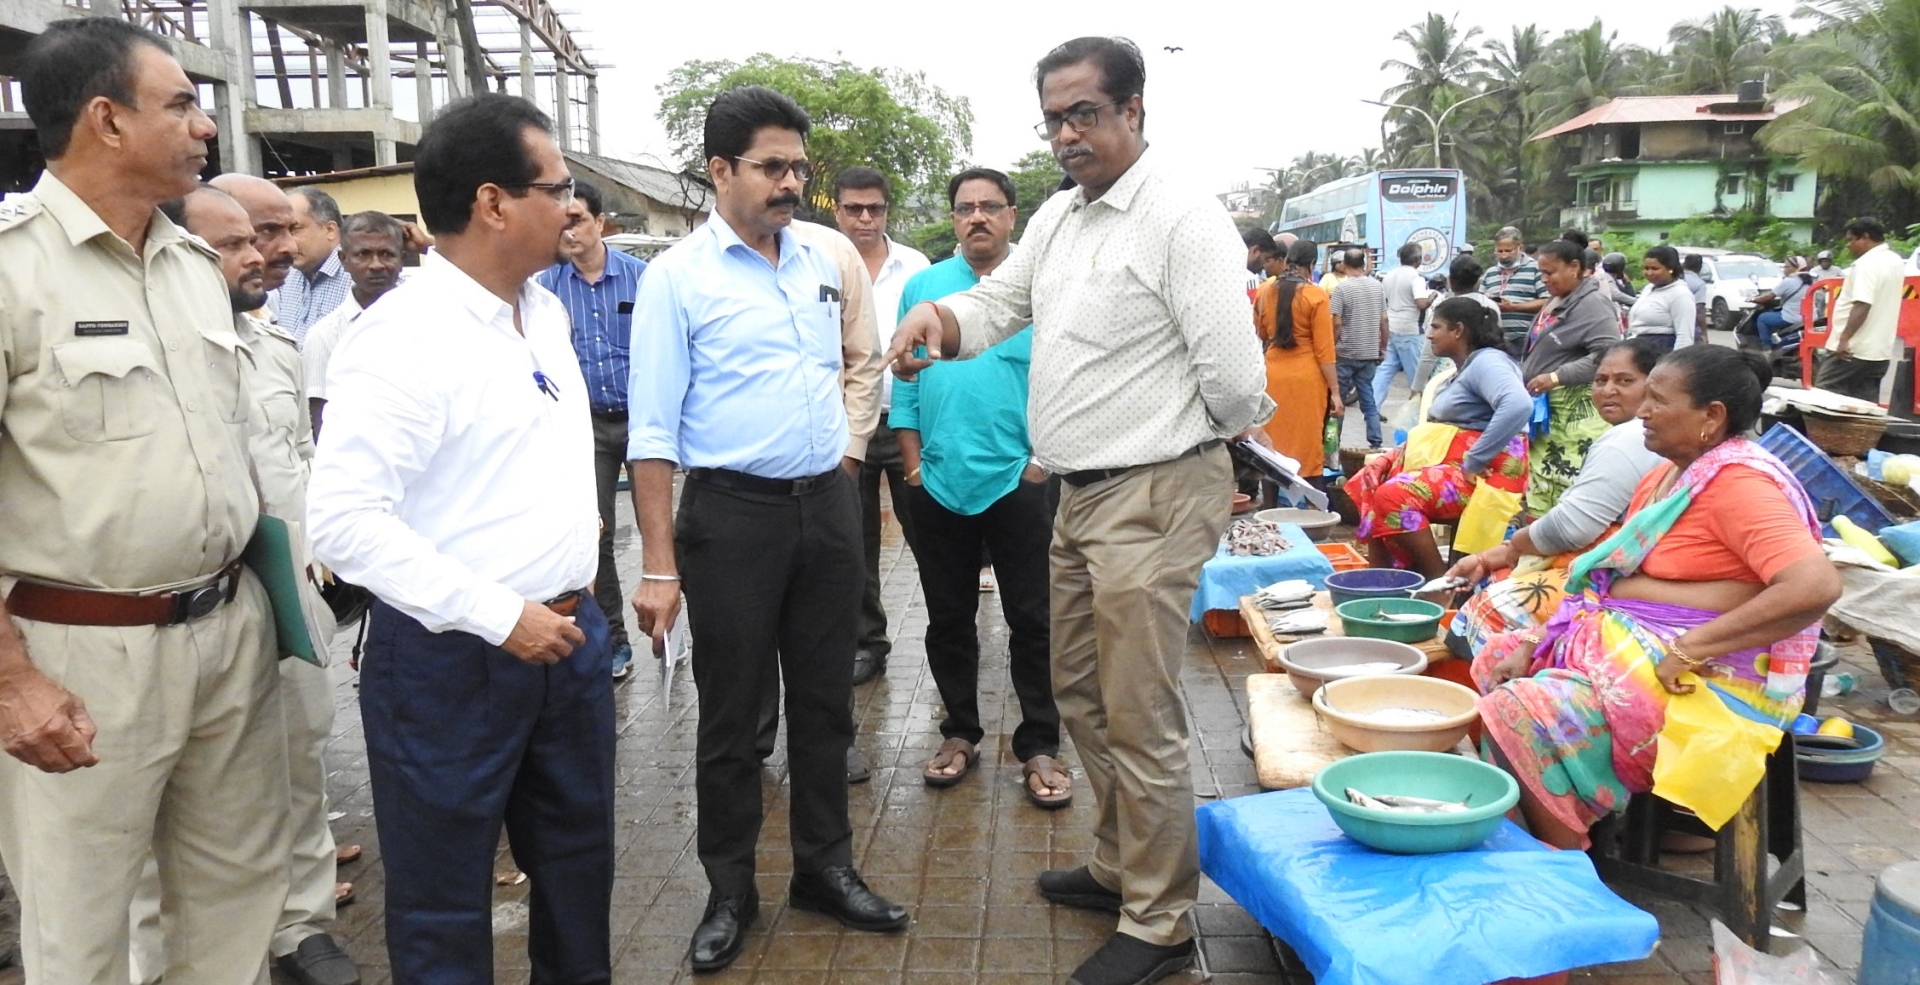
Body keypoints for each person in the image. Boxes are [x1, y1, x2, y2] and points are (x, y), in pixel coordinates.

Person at [886, 36, 1274, 985]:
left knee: (1141, 712)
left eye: (1085, 113)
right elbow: (995, 306)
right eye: (1054, 118)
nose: (1067, 134)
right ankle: (1120, 861)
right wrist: (934, 323)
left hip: (1152, 488)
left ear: (1134, 110)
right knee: (1083, 695)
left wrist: (1190, 454)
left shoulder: (1184, 220)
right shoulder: (1060, 218)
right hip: (1077, 495)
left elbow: (1234, 379)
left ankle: (1161, 918)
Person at [0, 19, 290, 985]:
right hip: (82, 656)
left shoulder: (191, 267)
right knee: (80, 927)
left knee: (232, 902)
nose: (205, 126)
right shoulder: (12, 267)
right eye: (180, 103)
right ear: (105, 120)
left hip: (225, 630)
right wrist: (13, 683)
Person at [307, 93, 616, 984]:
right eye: (557, 187)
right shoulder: (402, 337)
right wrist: (497, 614)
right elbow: (345, 520)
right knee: (445, 907)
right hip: (451, 660)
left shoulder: (542, 312)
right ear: (493, 202)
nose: (572, 205)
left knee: (576, 879)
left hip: (567, 643)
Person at [626, 85, 904, 975]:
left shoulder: (823, 255)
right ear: (719, 171)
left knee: (826, 705)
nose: (792, 182)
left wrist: (850, 457)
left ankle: (826, 868)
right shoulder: (677, 277)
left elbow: (860, 359)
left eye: (798, 166)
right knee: (734, 716)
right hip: (730, 518)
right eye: (771, 166)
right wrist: (659, 565)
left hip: (826, 506)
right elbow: (653, 430)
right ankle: (730, 888)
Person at [1472, 346, 1840, 850]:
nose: (1642, 411)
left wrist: (1693, 646)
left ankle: (1565, 862)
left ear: (1712, 416)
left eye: (1657, 401)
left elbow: (1813, 586)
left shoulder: (1739, 485)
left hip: (1709, 680)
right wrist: (1538, 637)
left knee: (1523, 711)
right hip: (1637, 644)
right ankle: (1555, 828)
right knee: (1498, 657)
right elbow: (1611, 573)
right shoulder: (1669, 473)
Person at [157, 183, 357, 985]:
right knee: (195, 795)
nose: (271, 250)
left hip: (288, 586)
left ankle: (302, 926)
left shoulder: (276, 343)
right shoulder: (167, 342)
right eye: (244, 238)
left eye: (279, 231)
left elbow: (299, 465)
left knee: (299, 756)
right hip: (194, 598)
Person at [890, 167, 1069, 807]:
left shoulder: (1041, 287)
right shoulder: (926, 288)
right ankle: (959, 733)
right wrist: (912, 468)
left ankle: (1040, 744)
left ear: (1012, 216)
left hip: (1022, 480)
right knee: (948, 617)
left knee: (1033, 617)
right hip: (937, 481)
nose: (977, 218)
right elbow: (905, 384)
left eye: (990, 207)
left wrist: (1040, 463)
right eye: (965, 208)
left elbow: (1062, 380)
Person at [1445, 338, 1670, 651]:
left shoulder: (1627, 439)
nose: (1607, 391)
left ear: (1656, 386)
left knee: (1485, 611)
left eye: (1625, 381)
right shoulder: (1636, 434)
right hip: (1631, 568)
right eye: (1601, 381)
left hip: (1634, 582)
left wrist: (1508, 551)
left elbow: (1571, 528)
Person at [537, 178, 648, 683]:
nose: (569, 228)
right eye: (563, 219)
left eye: (578, 218)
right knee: (596, 533)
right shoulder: (544, 290)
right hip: (587, 429)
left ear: (601, 223)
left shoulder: (642, 279)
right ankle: (614, 642)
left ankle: (678, 631)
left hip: (646, 424)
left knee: (666, 532)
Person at [832, 166, 930, 687]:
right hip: (846, 425)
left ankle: (948, 630)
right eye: (854, 208)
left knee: (931, 534)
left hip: (908, 422)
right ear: (837, 210)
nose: (865, 218)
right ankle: (867, 641)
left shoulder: (914, 268)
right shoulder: (817, 262)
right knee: (855, 540)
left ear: (887, 210)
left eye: (874, 208)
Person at [1349, 297, 1531, 576]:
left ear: (1458, 330)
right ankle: (1383, 578)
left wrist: (1475, 459)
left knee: (1395, 496)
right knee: (1371, 478)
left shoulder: (1488, 363)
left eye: (1436, 327)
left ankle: (1440, 583)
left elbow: (1518, 404)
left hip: (1486, 473)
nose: (1429, 334)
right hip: (1459, 464)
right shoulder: (1468, 366)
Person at [1520, 238, 1622, 516]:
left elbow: (1607, 354)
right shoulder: (1559, 300)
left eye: (1549, 273)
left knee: (1566, 482)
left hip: (1573, 414)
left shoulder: (1593, 305)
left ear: (1575, 267)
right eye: (1541, 273)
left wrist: (1556, 376)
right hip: (1548, 410)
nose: (1544, 280)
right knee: (1543, 482)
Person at [303, 210, 406, 436]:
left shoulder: (426, 316)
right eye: (363, 254)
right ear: (344, 260)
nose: (376, 265)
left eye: (387, 254)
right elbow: (321, 420)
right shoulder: (324, 336)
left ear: (402, 258)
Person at [1254, 238, 1341, 480]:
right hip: (1307, 378)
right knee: (1309, 443)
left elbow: (1260, 333)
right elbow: (1325, 350)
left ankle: (1270, 505)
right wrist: (1335, 391)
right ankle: (1314, 509)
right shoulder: (1316, 296)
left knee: (1271, 441)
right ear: (1311, 263)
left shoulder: (1265, 291)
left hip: (1272, 374)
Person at [1816, 216, 1909, 403]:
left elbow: (1862, 304)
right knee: (1865, 403)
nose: (1848, 245)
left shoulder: (1867, 265)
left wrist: (1844, 339)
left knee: (1824, 392)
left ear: (1865, 237)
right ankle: (1863, 434)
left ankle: (1831, 433)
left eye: (1851, 239)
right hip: (1879, 350)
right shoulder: (1894, 260)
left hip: (1854, 349)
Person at [270, 187, 351, 342]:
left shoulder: (359, 279)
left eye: (295, 229)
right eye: (280, 232)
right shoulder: (287, 277)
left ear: (330, 230)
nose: (287, 243)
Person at [1331, 247, 1388, 448]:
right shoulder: (1377, 287)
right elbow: (1384, 321)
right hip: (1369, 353)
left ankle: (1333, 444)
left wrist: (1332, 346)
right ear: (1364, 265)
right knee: (1368, 398)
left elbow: (1337, 323)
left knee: (1338, 401)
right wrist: (1382, 347)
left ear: (1344, 265)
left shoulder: (1341, 289)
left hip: (1345, 353)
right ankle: (1375, 441)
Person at [1372, 241, 1434, 407]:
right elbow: (1421, 304)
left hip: (1391, 327)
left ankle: (1372, 407)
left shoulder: (1389, 276)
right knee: (1416, 376)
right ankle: (1420, 412)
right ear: (1418, 259)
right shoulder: (1416, 278)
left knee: (1385, 370)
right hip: (1410, 330)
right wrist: (1432, 297)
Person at [1481, 226, 1550, 353]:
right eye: (1499, 251)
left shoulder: (1536, 269)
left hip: (1525, 338)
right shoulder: (1490, 273)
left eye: (1508, 250)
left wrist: (1514, 307)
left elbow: (1547, 301)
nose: (1503, 255)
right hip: (1496, 339)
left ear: (1520, 248)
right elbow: (1480, 300)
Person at [1626, 245, 1696, 352]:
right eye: (1646, 268)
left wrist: (1674, 364)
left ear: (1670, 269)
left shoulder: (1680, 294)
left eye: (1655, 268)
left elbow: (1685, 336)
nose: (1649, 273)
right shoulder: (1649, 289)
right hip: (1639, 349)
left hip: (1660, 351)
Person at [1751, 255, 1811, 351]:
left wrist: (1753, 299)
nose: (1784, 269)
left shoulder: (1789, 281)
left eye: (1787, 267)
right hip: (1811, 318)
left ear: (1796, 268)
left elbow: (1767, 297)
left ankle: (1767, 348)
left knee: (1762, 318)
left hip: (1792, 318)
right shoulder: (1812, 281)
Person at [1680, 253, 1709, 335]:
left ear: (1685, 264)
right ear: (1700, 267)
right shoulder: (1699, 284)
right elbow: (1699, 311)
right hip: (1688, 326)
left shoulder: (1674, 278)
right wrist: (1704, 334)